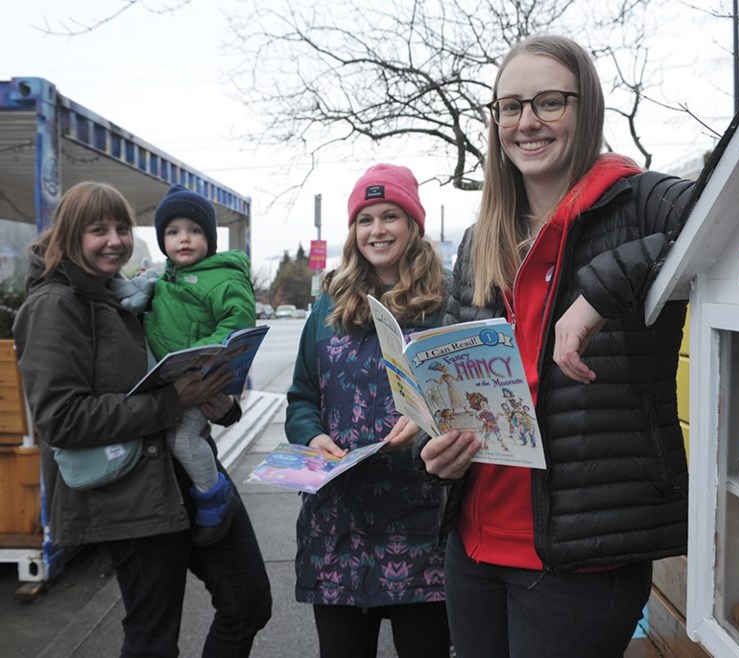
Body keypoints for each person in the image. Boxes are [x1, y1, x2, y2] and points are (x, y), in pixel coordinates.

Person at [414, 35, 696, 658]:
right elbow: (462, 390)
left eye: (548, 102)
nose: (527, 123)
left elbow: (732, 215)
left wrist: (599, 295)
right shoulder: (480, 239)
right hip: (475, 541)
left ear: (586, 108)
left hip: (580, 557)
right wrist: (439, 450)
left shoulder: (639, 201)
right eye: (510, 107)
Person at [13, 181, 271, 657]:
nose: (115, 240)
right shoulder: (53, 306)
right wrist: (173, 400)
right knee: (153, 639)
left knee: (248, 603)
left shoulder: (125, 294)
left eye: (121, 228)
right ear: (70, 234)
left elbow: (170, 367)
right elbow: (61, 420)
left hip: (189, 475)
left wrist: (222, 403)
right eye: (98, 230)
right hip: (131, 501)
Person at [285, 164, 452, 658]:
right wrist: (312, 437)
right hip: (338, 524)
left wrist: (427, 424)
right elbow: (300, 398)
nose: (376, 230)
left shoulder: (448, 303)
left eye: (390, 216)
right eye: (365, 219)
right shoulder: (328, 305)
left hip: (422, 525)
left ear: (413, 224)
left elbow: (469, 399)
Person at [137, 183, 255, 547]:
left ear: (209, 238)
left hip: (200, 377)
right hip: (172, 381)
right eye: (172, 232)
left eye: (194, 230)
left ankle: (213, 492)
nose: (183, 239)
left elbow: (238, 320)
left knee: (183, 438)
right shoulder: (165, 279)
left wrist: (201, 353)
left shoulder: (223, 277)